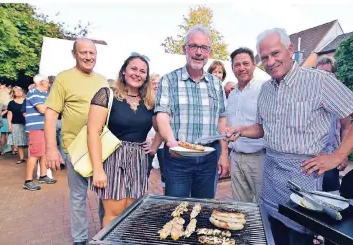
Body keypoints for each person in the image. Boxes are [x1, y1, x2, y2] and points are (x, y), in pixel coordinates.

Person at [225, 28, 353, 244]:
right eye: (265, 57)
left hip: (304, 175)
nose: (270, 61)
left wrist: (336, 156)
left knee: (300, 237)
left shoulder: (319, 81)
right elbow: (262, 128)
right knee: (274, 236)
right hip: (271, 175)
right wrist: (241, 130)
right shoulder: (266, 89)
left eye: (275, 54)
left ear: (289, 50)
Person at [44, 38, 108, 245]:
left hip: (101, 147)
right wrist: (51, 149)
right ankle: (80, 240)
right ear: (74, 54)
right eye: (84, 53)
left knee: (104, 196)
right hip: (75, 148)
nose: (89, 57)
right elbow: (51, 114)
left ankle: (103, 235)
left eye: (92, 53)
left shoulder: (102, 80)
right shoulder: (64, 79)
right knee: (79, 197)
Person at [155, 25, 229, 199]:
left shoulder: (216, 84)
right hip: (178, 156)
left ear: (209, 52)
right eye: (193, 46)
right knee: (176, 210)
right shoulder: (169, 80)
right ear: (184, 49)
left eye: (204, 48)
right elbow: (162, 116)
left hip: (209, 159)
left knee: (203, 209)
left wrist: (224, 155)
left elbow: (222, 119)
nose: (198, 52)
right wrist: (171, 142)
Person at [88, 53, 159, 227]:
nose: (137, 74)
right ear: (123, 72)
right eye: (133, 69)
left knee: (132, 213)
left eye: (143, 71)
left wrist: (154, 146)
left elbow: (161, 127)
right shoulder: (107, 94)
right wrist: (97, 169)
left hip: (139, 161)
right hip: (114, 158)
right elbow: (93, 131)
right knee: (113, 214)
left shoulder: (149, 101)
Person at [226, 47, 266, 203]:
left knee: (263, 206)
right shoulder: (232, 94)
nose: (241, 68)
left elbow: (267, 125)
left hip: (259, 158)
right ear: (232, 68)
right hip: (236, 157)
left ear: (254, 65)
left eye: (245, 63)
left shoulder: (264, 89)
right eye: (237, 65)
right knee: (240, 205)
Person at [315, 55, 351, 192]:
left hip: (331, 156)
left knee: (330, 197)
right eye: (319, 73)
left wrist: (343, 154)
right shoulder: (309, 95)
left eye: (327, 73)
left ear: (334, 75)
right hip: (310, 157)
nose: (322, 77)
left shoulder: (341, 97)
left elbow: (346, 127)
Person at [23, 75, 57, 191]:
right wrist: (51, 105)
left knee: (44, 153)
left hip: (44, 127)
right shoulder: (33, 93)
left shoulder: (45, 95)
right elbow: (42, 109)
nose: (49, 84)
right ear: (42, 82)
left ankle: (43, 175)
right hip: (36, 127)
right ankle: (28, 181)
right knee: (34, 153)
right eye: (48, 82)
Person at [7, 86, 27, 164]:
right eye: (16, 91)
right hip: (16, 124)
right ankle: (21, 158)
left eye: (20, 90)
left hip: (27, 124)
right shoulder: (11, 103)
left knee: (30, 141)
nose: (18, 92)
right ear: (13, 93)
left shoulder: (27, 101)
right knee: (19, 142)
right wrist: (9, 125)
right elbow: (9, 115)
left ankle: (32, 158)